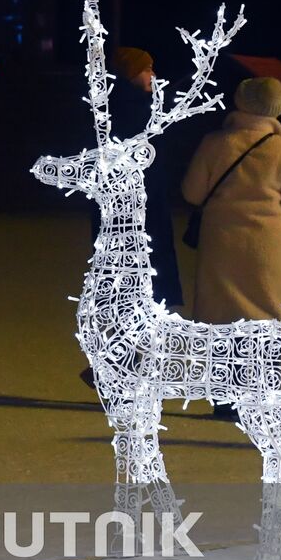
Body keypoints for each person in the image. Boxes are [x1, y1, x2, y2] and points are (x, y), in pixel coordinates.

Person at [181, 76, 281, 418]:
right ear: (278, 107)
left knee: (221, 315)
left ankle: (225, 397)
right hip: (266, 248)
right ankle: (260, 391)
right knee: (265, 313)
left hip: (221, 243)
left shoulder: (215, 144)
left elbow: (192, 193)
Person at [78, 47, 183, 389]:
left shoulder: (111, 108)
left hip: (118, 216)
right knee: (139, 293)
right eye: (148, 68)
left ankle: (120, 364)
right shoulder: (136, 111)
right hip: (139, 217)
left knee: (127, 294)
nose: (153, 74)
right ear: (131, 73)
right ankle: (123, 366)